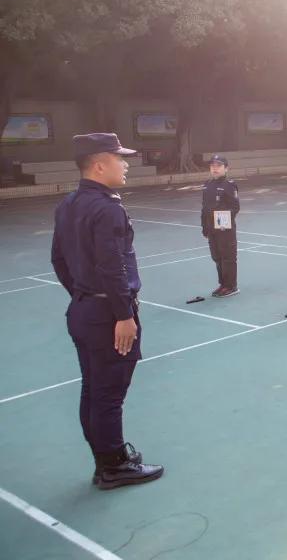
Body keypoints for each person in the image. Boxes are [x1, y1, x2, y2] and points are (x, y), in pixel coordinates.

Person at [51, 133, 164, 489]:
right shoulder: (107, 208)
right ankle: (114, 466)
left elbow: (59, 259)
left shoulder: (68, 204)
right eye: (119, 158)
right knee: (108, 394)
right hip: (107, 316)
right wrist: (122, 314)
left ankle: (105, 460)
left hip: (84, 310)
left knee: (93, 389)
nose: (126, 163)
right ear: (99, 165)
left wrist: (84, 295)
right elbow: (112, 266)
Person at [200, 154, 239, 297]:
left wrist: (221, 222)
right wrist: (204, 226)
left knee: (227, 257)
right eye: (212, 166)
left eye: (218, 166)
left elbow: (235, 207)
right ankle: (223, 284)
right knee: (217, 257)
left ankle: (231, 286)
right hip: (211, 228)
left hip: (225, 229)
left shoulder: (229, 185)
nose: (215, 169)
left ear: (226, 168)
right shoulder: (207, 185)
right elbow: (204, 208)